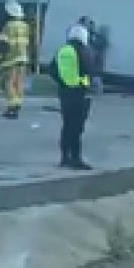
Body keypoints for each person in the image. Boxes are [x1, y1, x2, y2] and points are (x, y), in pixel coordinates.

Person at [53, 23, 94, 170]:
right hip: (80, 92)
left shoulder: (62, 50)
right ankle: (76, 159)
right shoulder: (83, 50)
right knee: (77, 128)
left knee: (67, 125)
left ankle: (64, 158)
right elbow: (89, 69)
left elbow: (52, 70)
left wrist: (63, 82)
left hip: (64, 92)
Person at [0, 0, 30, 119]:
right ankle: (18, 103)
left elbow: (3, 44)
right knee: (19, 82)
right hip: (23, 58)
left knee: (8, 83)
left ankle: (12, 107)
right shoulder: (25, 26)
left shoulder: (8, 26)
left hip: (11, 59)